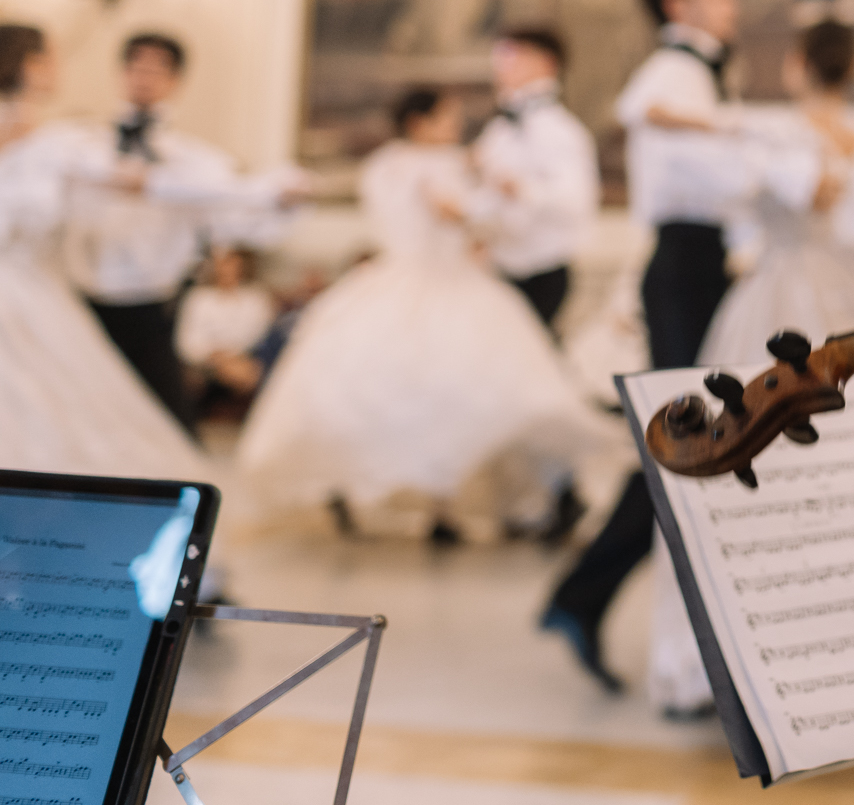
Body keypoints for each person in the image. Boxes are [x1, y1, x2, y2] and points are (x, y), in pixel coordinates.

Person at [237, 88, 611, 542]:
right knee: (446, 393)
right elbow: (458, 215)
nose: (455, 128)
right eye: (447, 118)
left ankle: (381, 493)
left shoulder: (382, 165)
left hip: (399, 279)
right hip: (440, 282)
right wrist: (500, 197)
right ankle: (442, 504)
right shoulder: (437, 167)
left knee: (385, 391)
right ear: (420, 123)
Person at [541, 0, 749, 702]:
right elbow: (643, 111)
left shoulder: (697, 71)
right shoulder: (671, 68)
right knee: (680, 446)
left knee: (684, 446)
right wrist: (747, 133)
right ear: (680, 1)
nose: (730, 5)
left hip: (703, 262)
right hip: (684, 264)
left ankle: (585, 598)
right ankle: (586, 598)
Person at [0, 24, 210, 482]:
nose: (58, 70)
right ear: (31, 66)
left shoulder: (51, 137)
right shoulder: (54, 140)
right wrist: (260, 193)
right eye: (53, 58)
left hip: (42, 289)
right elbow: (135, 181)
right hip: (27, 297)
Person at [62, 32, 299, 431]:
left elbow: (233, 217)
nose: (144, 77)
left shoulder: (194, 159)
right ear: (122, 72)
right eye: (136, 66)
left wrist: (278, 199)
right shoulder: (83, 145)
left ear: (175, 81)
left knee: (162, 416)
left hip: (150, 303)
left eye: (157, 69)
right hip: (80, 296)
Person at [698, 20, 854, 365]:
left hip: (781, 275)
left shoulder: (780, 136)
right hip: (849, 270)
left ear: (797, 64)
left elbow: (735, 195)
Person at [471, 28, 601, 331]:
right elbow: (488, 197)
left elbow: (576, 198)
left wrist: (520, 189)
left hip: (543, 268)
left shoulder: (561, 130)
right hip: (500, 267)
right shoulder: (499, 131)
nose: (500, 66)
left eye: (511, 56)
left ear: (545, 63)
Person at [176, 245, 277, 422]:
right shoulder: (198, 298)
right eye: (223, 264)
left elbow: (258, 334)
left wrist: (232, 354)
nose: (227, 270)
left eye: (232, 264)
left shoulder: (256, 298)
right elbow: (187, 338)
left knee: (250, 371)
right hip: (205, 360)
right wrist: (214, 355)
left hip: (243, 358)